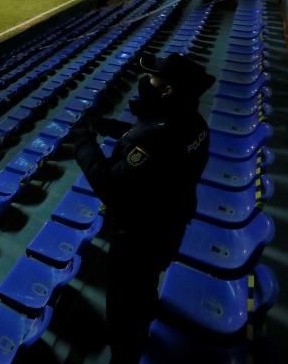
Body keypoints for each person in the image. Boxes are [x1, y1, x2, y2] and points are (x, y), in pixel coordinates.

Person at [70, 53, 215, 364]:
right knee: (148, 281)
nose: (146, 83)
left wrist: (83, 141)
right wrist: (115, 129)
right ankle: (145, 313)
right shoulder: (195, 122)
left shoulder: (157, 136)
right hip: (170, 223)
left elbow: (111, 185)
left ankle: (125, 353)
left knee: (122, 304)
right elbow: (159, 141)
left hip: (139, 236)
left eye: (154, 79)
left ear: (168, 91)